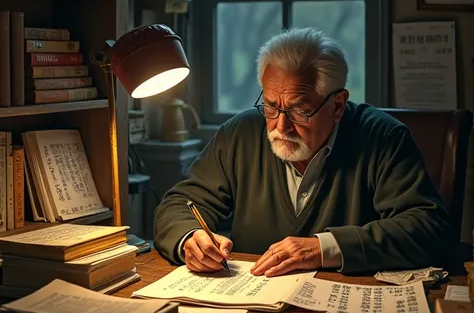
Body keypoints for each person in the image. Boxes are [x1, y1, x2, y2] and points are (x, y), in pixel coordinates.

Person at [154, 28, 453, 276]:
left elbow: (429, 229)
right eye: (271, 106)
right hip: (252, 303)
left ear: (337, 105)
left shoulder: (383, 137)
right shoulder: (240, 133)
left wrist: (323, 248)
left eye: (300, 111)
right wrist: (190, 238)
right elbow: (179, 204)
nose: (280, 126)